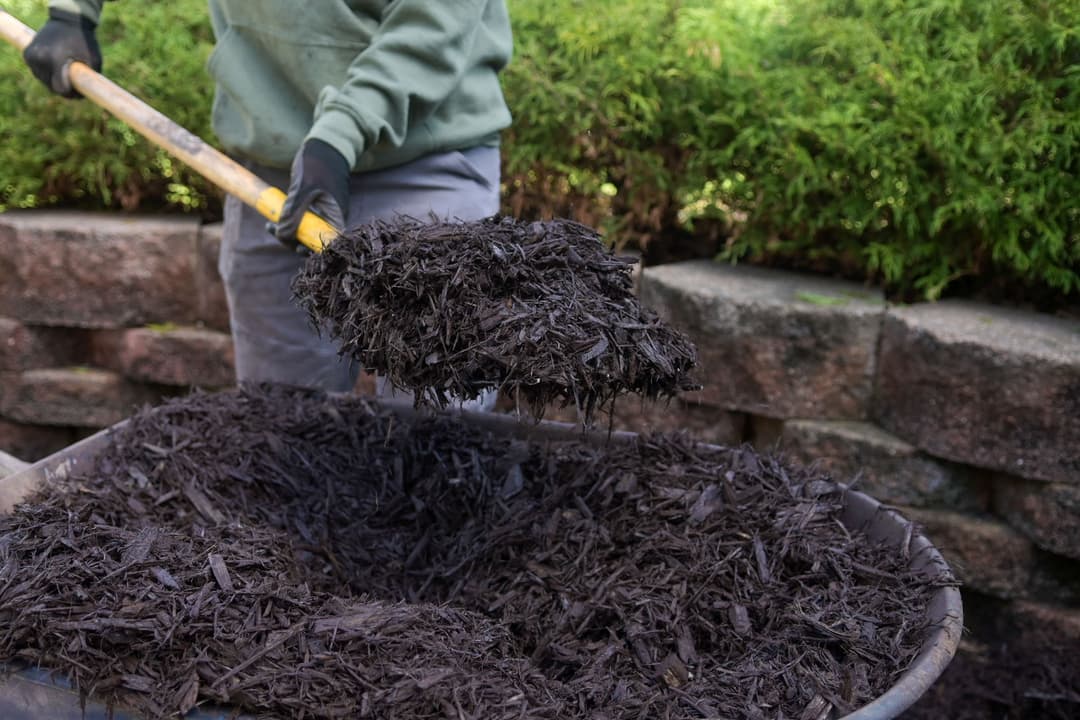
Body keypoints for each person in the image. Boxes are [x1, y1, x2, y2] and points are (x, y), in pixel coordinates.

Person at [23, 1, 512, 409]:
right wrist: (73, 12)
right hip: (277, 178)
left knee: (445, 441)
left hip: (427, 162)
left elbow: (434, 20)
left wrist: (338, 137)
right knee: (281, 431)